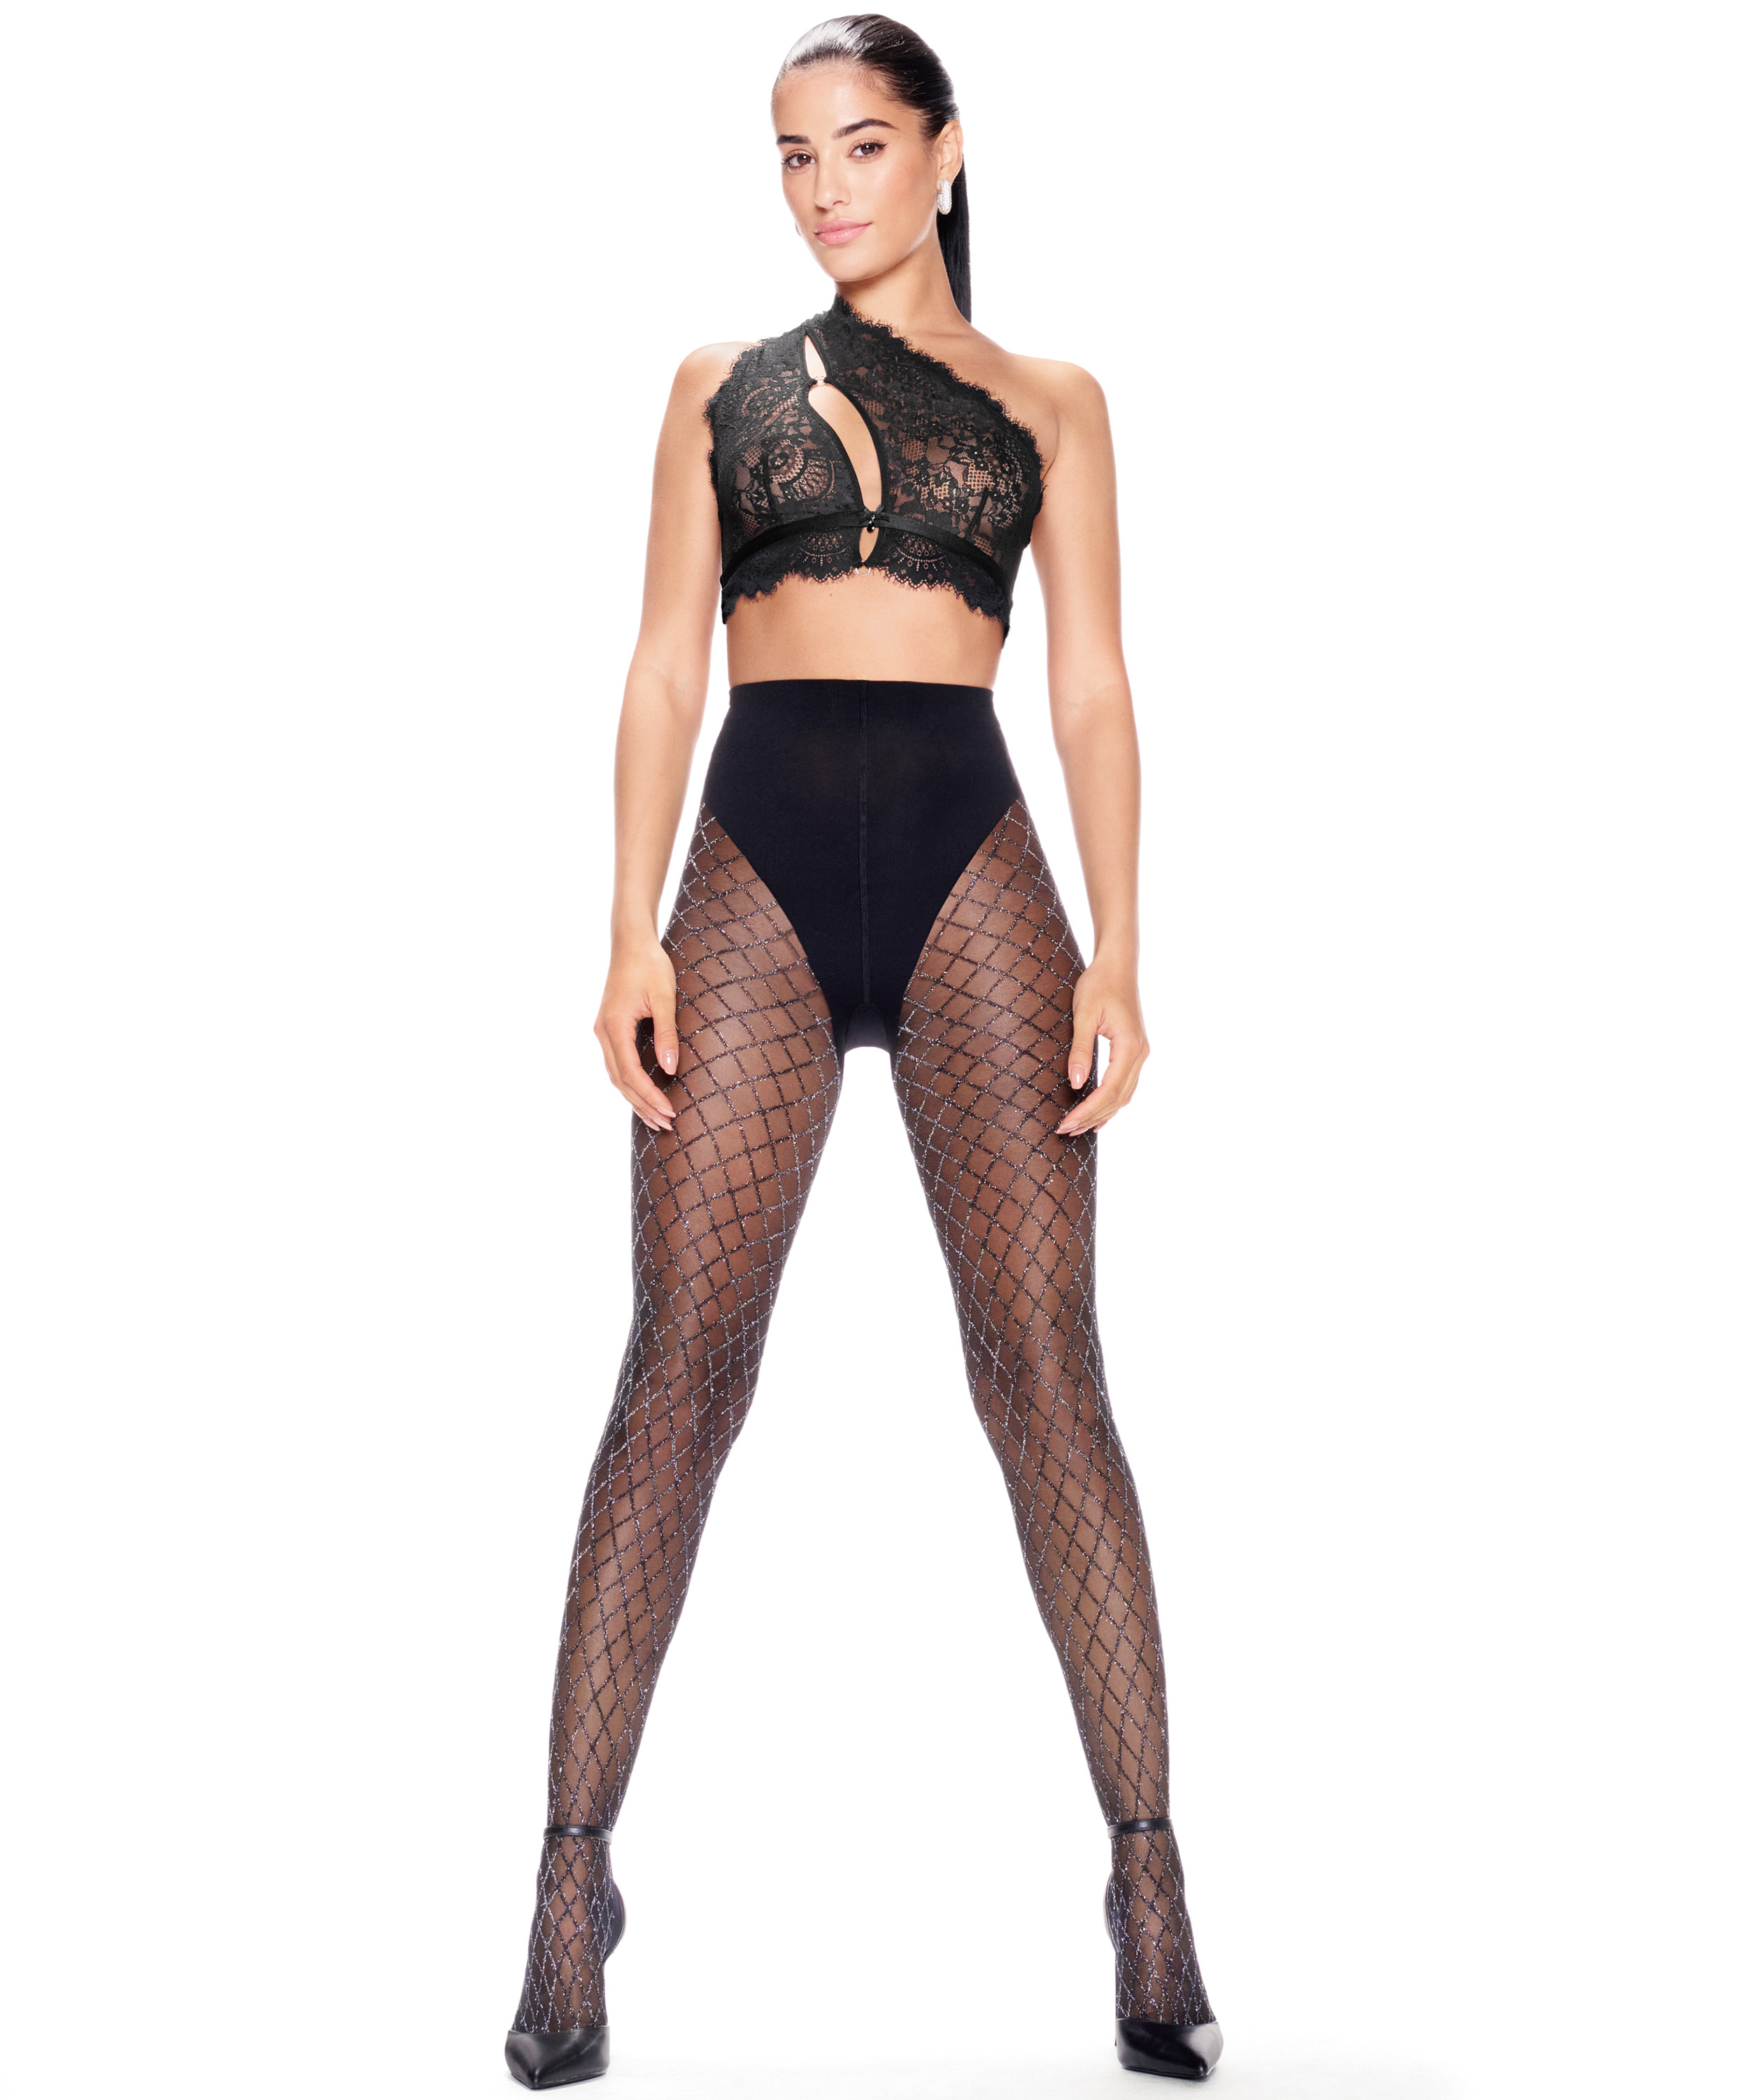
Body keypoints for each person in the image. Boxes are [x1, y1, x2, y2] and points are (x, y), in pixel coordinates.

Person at [506, 15, 1222, 2086]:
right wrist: (624, 927)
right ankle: (567, 1881)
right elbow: (662, 666)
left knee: (1043, 1368)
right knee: (679, 1370)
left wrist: (1122, 947)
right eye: (791, 154)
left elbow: (1092, 684)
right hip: (756, 863)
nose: (823, 188)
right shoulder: (713, 388)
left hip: (976, 862)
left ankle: (1149, 1878)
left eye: (860, 146)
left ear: (945, 151)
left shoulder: (1057, 402)